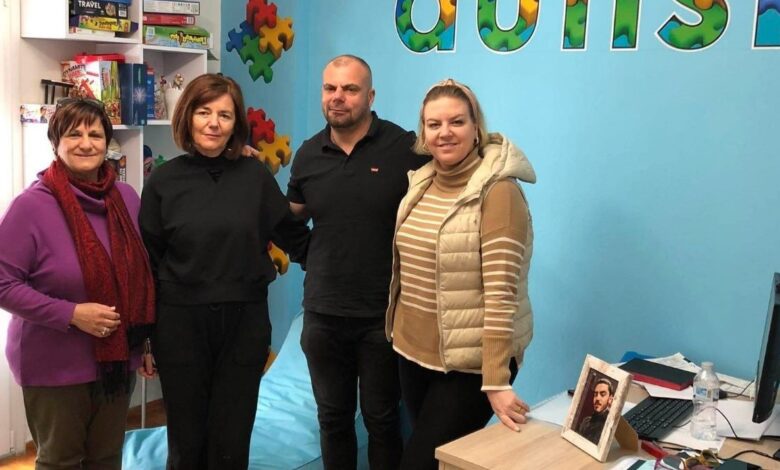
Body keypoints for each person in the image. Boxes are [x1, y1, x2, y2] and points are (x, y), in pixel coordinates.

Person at [139, 73, 309, 469]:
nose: (213, 123)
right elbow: (148, 262)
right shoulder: (162, 181)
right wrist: (144, 339)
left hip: (243, 323)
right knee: (186, 439)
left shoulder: (255, 176)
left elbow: (293, 235)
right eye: (204, 112)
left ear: (236, 125)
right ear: (188, 117)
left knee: (232, 437)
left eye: (225, 115)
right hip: (180, 324)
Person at [385, 78, 536, 469]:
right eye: (434, 124)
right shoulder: (421, 182)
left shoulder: (499, 192)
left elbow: (501, 293)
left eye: (456, 122)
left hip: (470, 366)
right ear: (423, 132)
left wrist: (496, 379)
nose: (445, 132)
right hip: (413, 354)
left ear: (476, 128)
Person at [287, 55, 429, 470]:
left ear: (370, 96)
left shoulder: (406, 148)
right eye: (330, 88)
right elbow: (290, 217)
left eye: (350, 89)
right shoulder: (309, 154)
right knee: (332, 419)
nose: (338, 97)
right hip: (323, 314)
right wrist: (308, 255)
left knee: (382, 420)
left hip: (383, 315)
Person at [0, 99, 156, 469]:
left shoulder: (127, 198)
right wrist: (71, 314)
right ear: (56, 142)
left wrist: (146, 342)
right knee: (61, 462)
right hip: (54, 364)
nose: (86, 143)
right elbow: (3, 284)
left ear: (107, 143)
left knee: (106, 459)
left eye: (95, 135)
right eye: (74, 134)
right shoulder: (30, 207)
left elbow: (142, 276)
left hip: (118, 362)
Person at [578, 378, 614, 444]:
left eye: (602, 394)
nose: (597, 398)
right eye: (595, 395)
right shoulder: (585, 422)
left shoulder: (609, 424)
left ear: (610, 398)